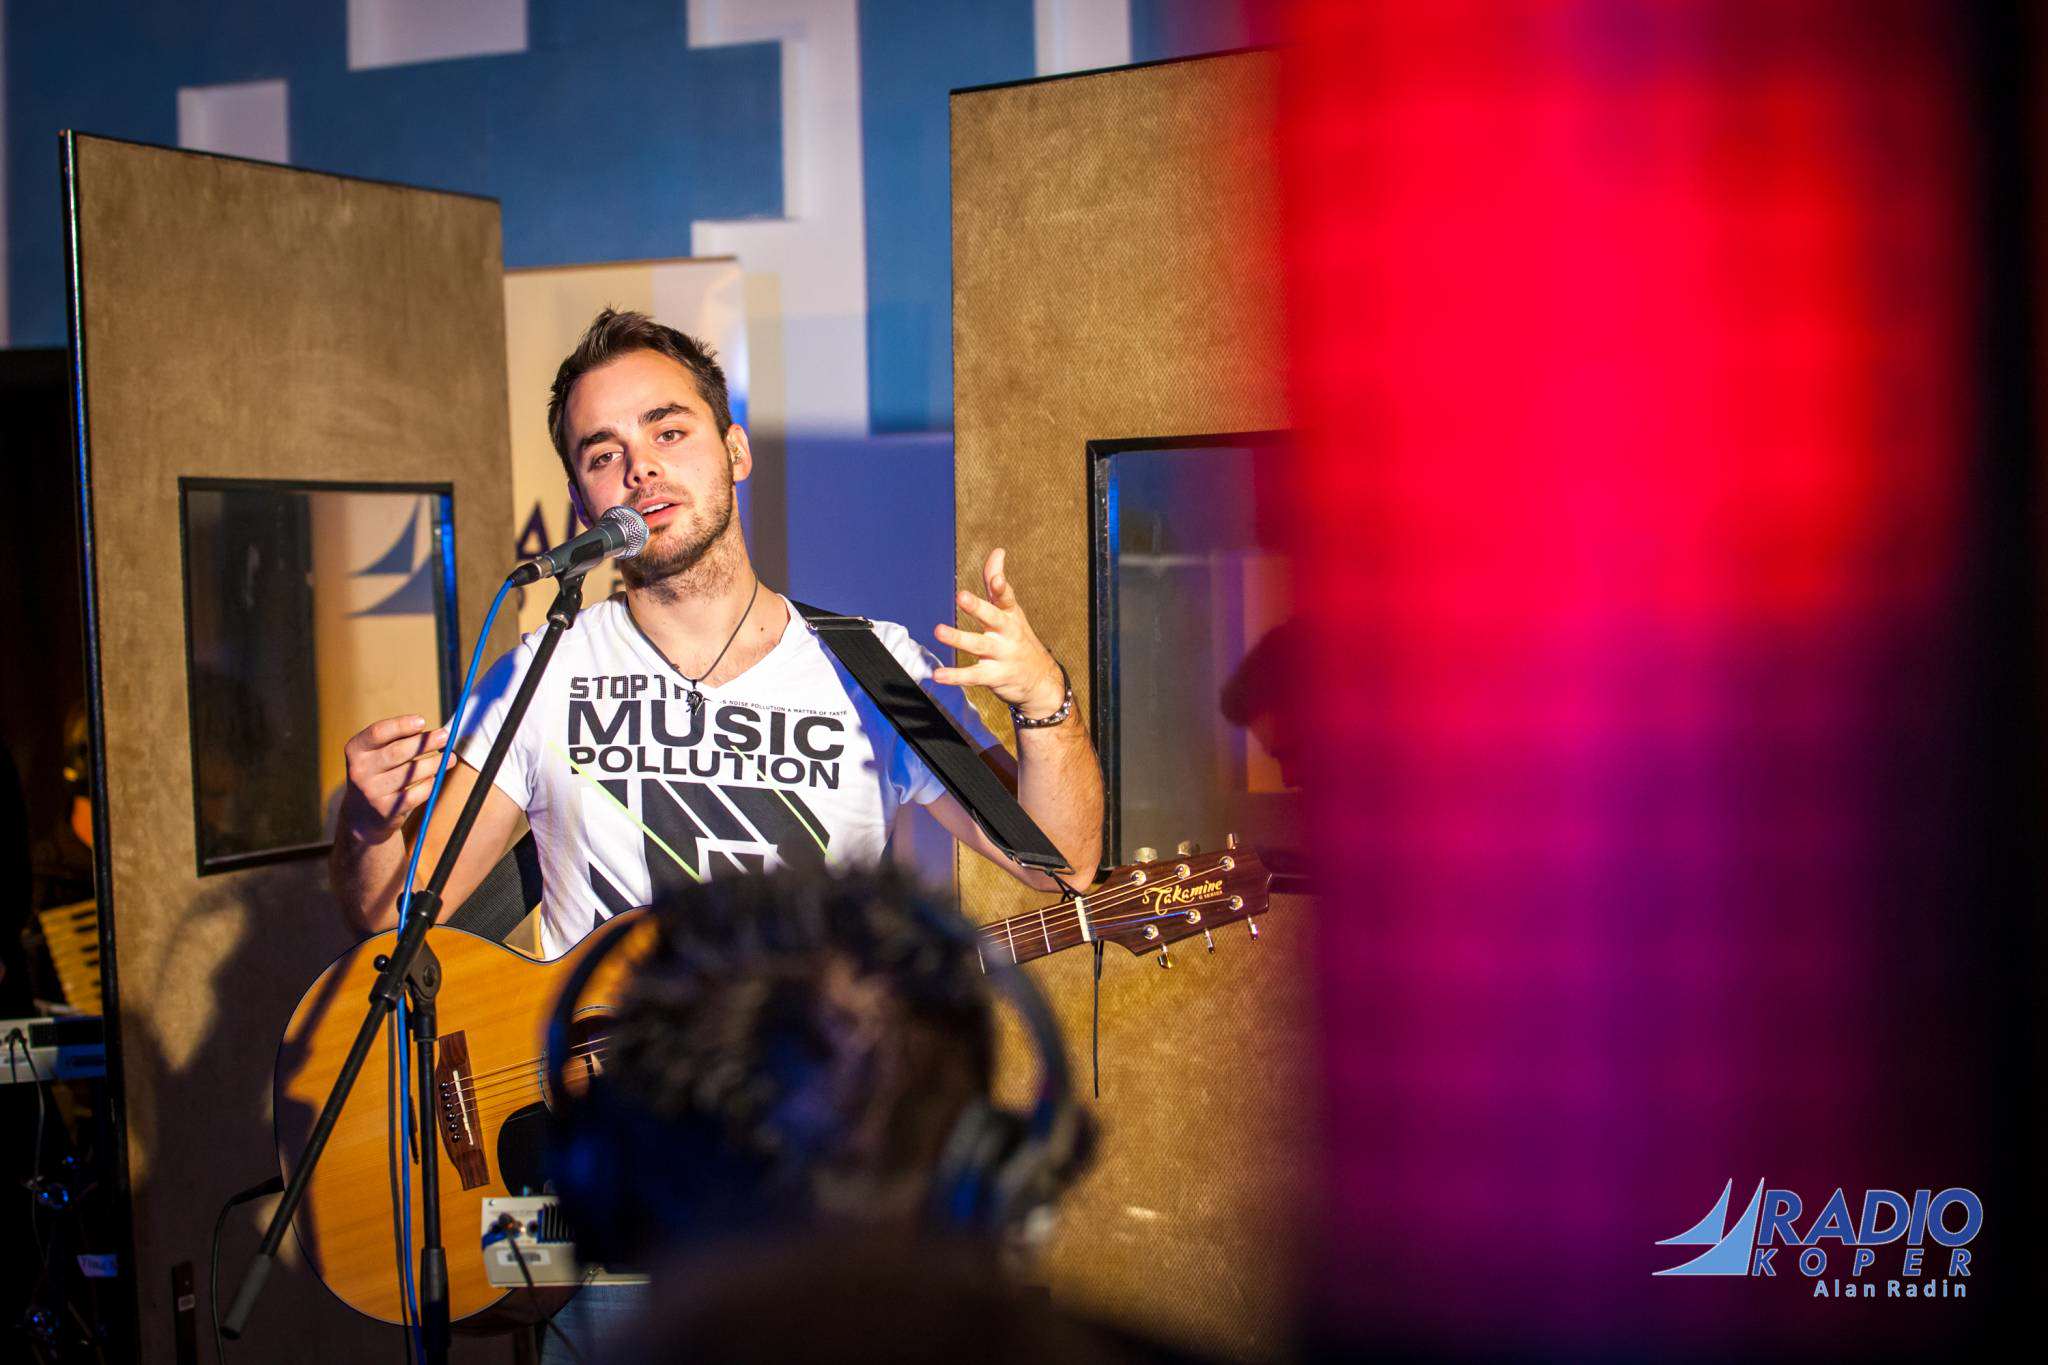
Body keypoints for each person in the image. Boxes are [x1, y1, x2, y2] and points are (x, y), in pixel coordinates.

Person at [330, 308, 1103, 947]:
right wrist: (366, 828)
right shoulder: (543, 673)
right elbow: (388, 917)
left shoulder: (875, 666)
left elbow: (1062, 864)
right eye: (604, 454)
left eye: (668, 432)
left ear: (735, 450)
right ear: (582, 505)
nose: (640, 468)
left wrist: (1047, 703)